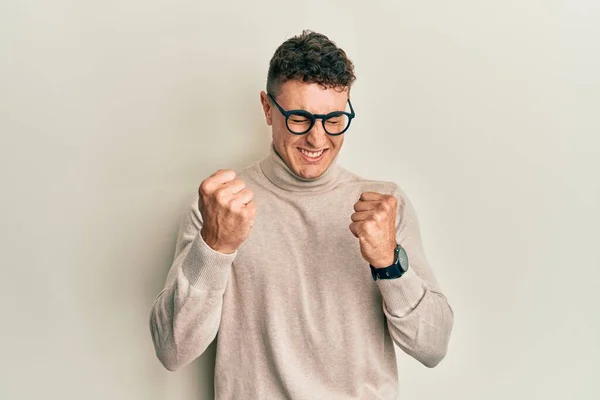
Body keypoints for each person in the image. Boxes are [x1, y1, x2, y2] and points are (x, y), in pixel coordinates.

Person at [149, 30, 454, 399]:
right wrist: (215, 247)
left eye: (334, 119)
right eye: (299, 118)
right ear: (266, 108)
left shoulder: (384, 205)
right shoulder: (220, 205)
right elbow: (172, 350)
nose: (317, 139)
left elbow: (433, 347)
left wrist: (390, 264)